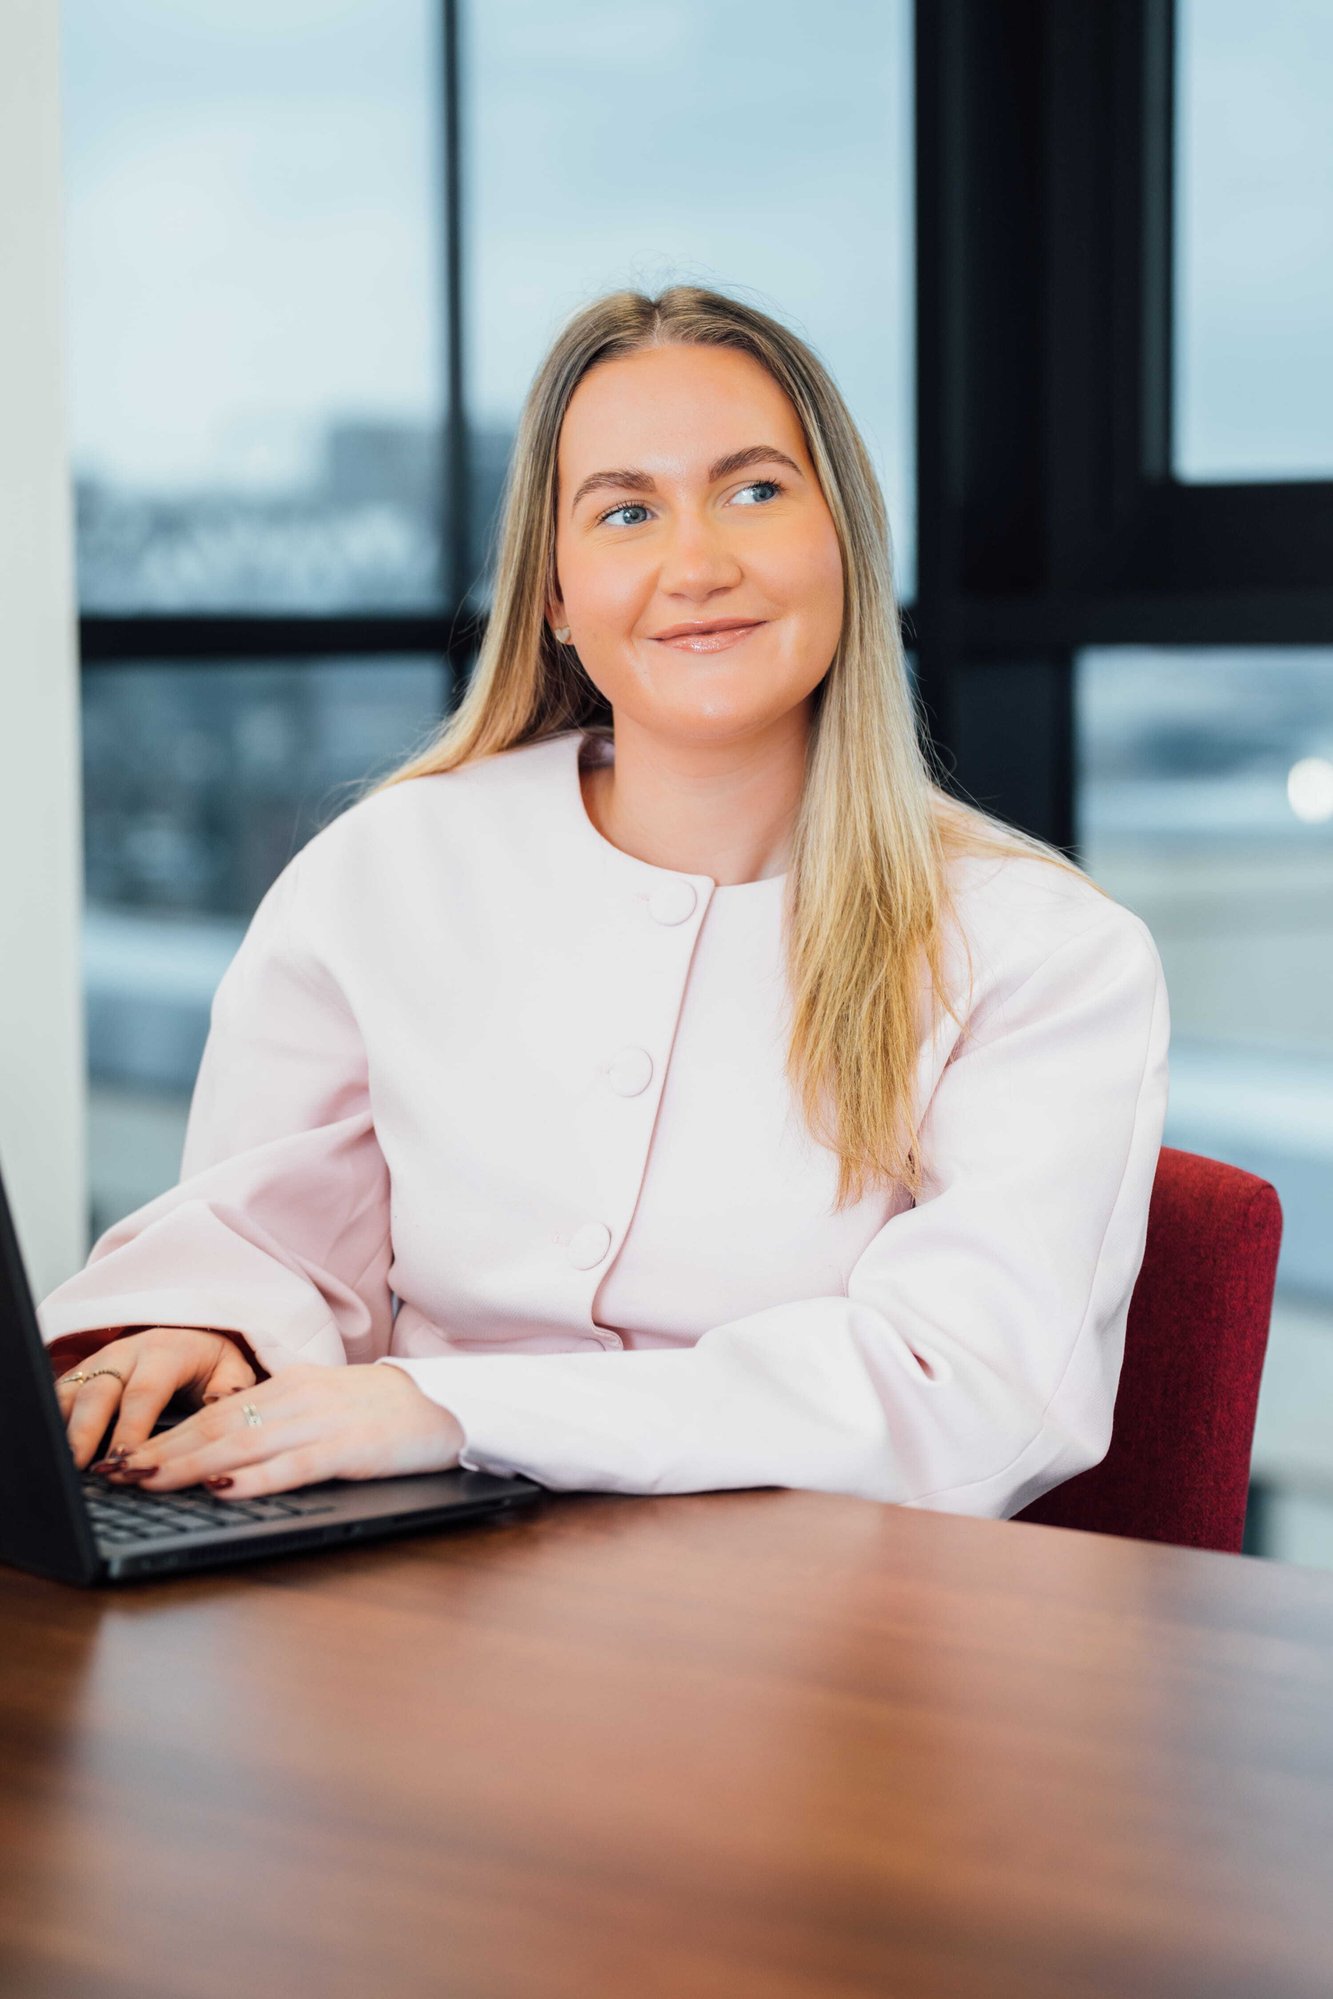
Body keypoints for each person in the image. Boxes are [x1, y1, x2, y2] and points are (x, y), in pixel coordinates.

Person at [39, 284, 1169, 1516]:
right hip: (406, 1595)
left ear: (846, 540)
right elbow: (275, 1228)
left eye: (754, 490)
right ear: (557, 599)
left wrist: (453, 1410)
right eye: (626, 510)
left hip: (810, 1634)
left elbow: (969, 1394)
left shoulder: (1042, 951)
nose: (697, 564)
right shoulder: (390, 868)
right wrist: (211, 1329)